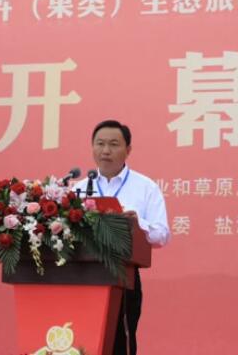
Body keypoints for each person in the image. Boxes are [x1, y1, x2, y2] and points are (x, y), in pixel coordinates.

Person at [72, 120, 170, 355]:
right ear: (92, 148)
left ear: (128, 150)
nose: (106, 150)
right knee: (81, 340)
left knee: (120, 345)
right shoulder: (78, 189)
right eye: (100, 144)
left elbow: (162, 235)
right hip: (80, 276)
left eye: (114, 144)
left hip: (124, 278)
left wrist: (138, 224)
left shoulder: (145, 187)